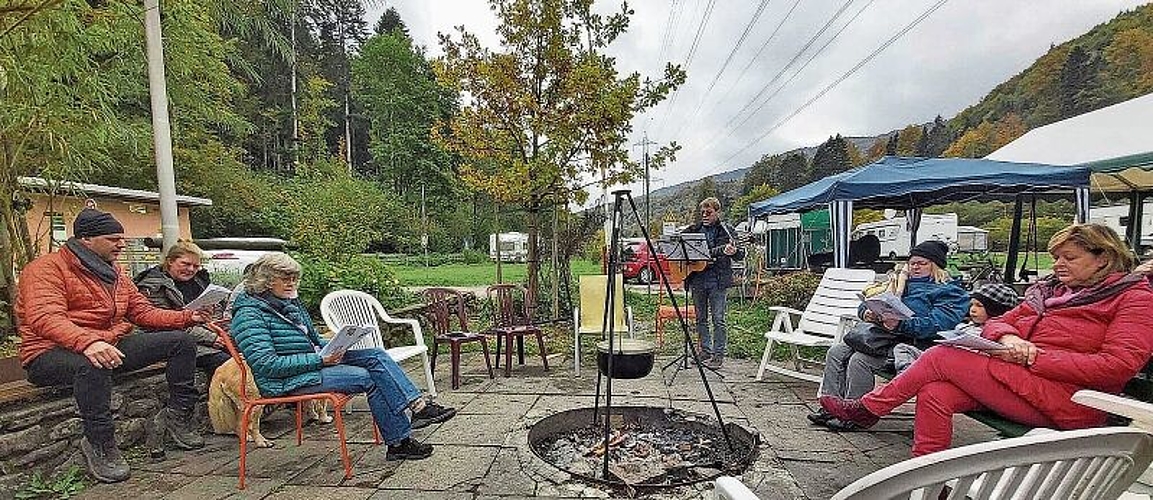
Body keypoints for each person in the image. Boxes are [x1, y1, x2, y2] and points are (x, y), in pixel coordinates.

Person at [821, 223, 1153, 456]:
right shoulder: (1050, 293)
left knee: (941, 357)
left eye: (1070, 257)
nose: (1058, 264)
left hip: (1072, 402)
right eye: (1056, 257)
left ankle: (868, 408)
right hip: (1020, 383)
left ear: (1103, 258)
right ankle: (928, 483)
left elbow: (1118, 366)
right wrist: (1008, 337)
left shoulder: (1133, 298)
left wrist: (1033, 357)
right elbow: (998, 323)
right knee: (935, 393)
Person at [15, 208, 211, 483]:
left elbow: (142, 312)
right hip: (48, 353)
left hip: (107, 345)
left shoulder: (115, 273)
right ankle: (100, 443)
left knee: (181, 341)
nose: (121, 244)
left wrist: (188, 316)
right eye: (113, 239)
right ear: (86, 239)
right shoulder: (45, 270)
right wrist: (88, 341)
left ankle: (177, 414)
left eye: (122, 238)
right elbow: (45, 317)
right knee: (91, 365)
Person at [228, 252, 456, 461]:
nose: (292, 284)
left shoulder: (287, 303)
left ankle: (417, 407)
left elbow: (314, 339)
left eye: (295, 278)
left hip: (313, 363)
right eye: (286, 278)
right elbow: (267, 365)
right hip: (287, 380)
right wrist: (320, 360)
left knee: (376, 355)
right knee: (369, 378)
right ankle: (399, 442)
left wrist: (339, 345)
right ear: (266, 281)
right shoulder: (249, 315)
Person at [810, 240, 969, 431]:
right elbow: (870, 299)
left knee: (859, 360)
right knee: (836, 352)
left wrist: (901, 324)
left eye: (922, 263)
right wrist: (866, 312)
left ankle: (856, 414)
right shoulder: (899, 282)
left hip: (914, 347)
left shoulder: (948, 291)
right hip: (882, 339)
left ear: (936, 265)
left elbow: (939, 325)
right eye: (912, 263)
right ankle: (830, 407)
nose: (915, 267)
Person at [135, 241, 231, 377]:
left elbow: (217, 311)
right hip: (173, 340)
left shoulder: (199, 282)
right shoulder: (153, 287)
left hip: (206, 333)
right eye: (185, 264)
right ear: (170, 262)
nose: (191, 269)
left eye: (196, 266)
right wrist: (211, 337)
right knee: (223, 362)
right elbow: (162, 324)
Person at [892, 282, 1019, 373]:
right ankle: (908, 372)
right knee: (903, 349)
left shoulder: (999, 333)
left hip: (962, 366)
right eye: (972, 305)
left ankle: (912, 375)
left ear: (995, 310)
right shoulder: (965, 326)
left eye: (979, 306)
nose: (973, 310)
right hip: (943, 358)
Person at [683, 197, 745, 369]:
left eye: (708, 212)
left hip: (717, 279)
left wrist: (733, 251)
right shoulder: (693, 230)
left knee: (718, 319)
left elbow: (741, 253)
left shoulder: (727, 231)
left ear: (717, 212)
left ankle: (718, 354)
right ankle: (705, 351)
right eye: (702, 212)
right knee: (700, 318)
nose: (704, 215)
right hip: (697, 278)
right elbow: (681, 247)